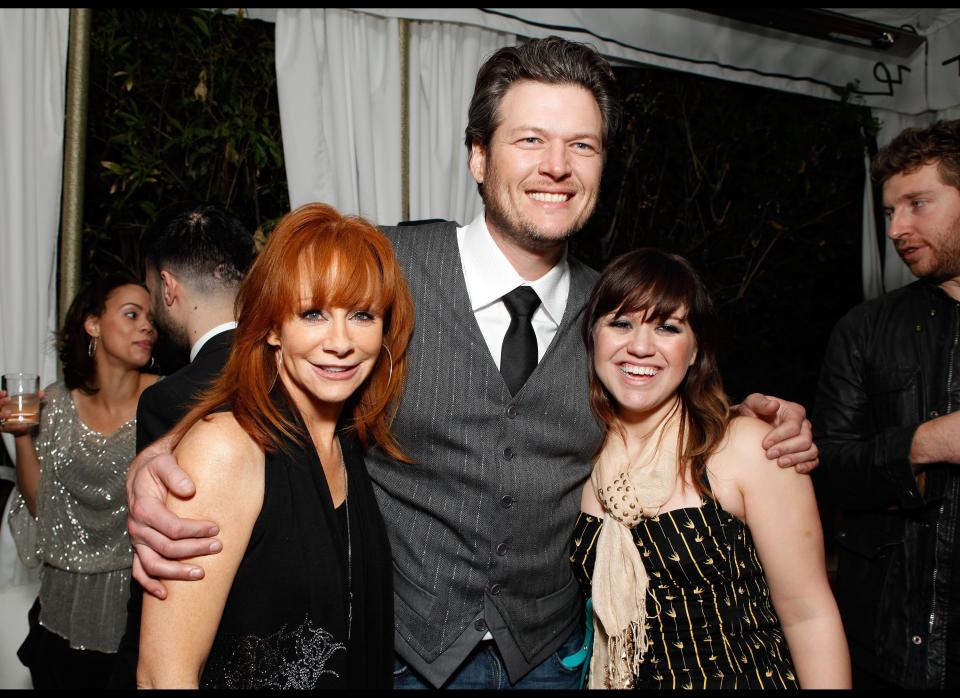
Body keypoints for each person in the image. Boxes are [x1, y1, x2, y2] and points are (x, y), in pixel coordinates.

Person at [123, 36, 819, 689]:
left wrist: (753, 417)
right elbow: (263, 359)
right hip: (394, 652)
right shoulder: (384, 270)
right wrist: (166, 449)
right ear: (479, 158)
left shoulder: (616, 317)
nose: (557, 166)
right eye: (531, 141)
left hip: (550, 659)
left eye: (583, 145)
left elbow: (674, 416)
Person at [136, 202, 414, 688]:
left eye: (362, 315)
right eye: (312, 314)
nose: (341, 342)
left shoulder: (351, 443)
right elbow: (164, 674)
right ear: (270, 327)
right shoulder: (226, 449)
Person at [570, 249, 849, 689]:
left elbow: (809, 616)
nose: (640, 346)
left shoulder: (749, 447)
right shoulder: (576, 453)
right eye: (621, 323)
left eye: (667, 327)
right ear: (593, 337)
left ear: (696, 347)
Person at [812, 119, 960, 689]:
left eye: (917, 204)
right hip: (885, 648)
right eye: (890, 211)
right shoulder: (865, 328)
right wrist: (926, 444)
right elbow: (829, 469)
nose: (897, 228)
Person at [108, 202, 257, 687]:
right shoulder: (308, 371)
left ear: (168, 288)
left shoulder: (168, 399)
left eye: (151, 293)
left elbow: (164, 563)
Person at [1, 273, 157, 688]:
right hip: (61, 613)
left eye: (151, 318)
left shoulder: (168, 403)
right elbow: (40, 507)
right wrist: (21, 436)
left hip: (137, 616)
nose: (147, 326)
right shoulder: (54, 404)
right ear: (92, 324)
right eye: (132, 314)